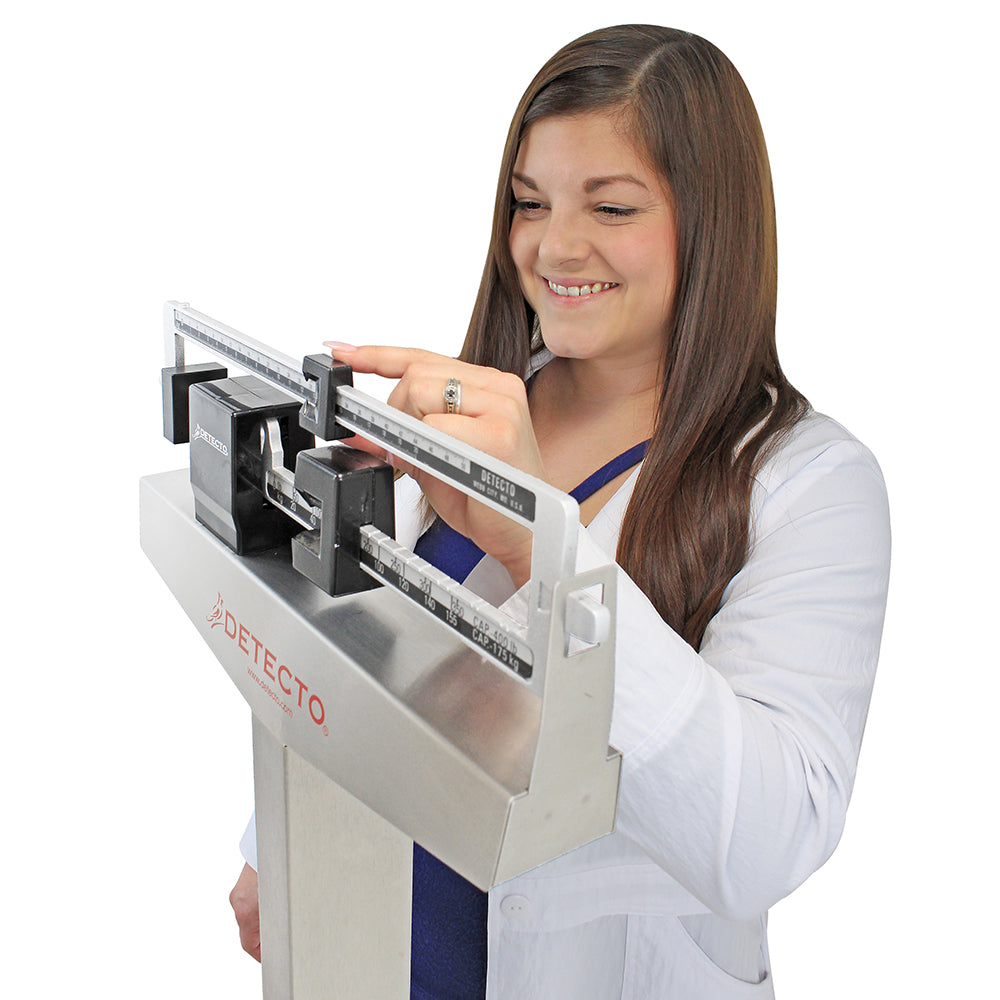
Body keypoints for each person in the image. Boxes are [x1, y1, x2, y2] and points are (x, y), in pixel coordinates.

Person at [230, 24, 890, 998]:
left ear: (713, 223)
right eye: (530, 203)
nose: (554, 247)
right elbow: (362, 652)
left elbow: (766, 839)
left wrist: (544, 548)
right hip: (375, 950)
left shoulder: (811, 486)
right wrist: (273, 834)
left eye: (611, 206)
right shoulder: (483, 405)